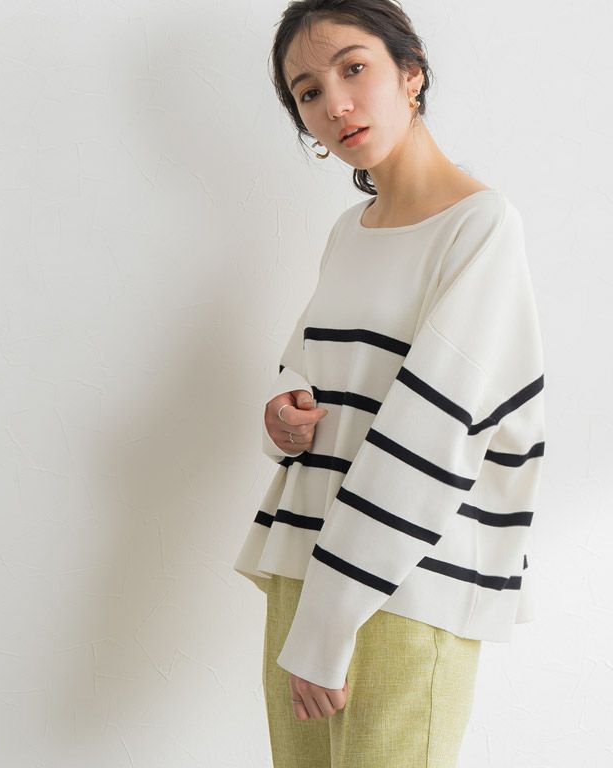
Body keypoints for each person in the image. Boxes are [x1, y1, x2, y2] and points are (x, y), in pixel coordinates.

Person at [233, 1, 546, 766]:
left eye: (354, 68)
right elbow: (316, 369)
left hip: (407, 580)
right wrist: (285, 411)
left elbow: (435, 433)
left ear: (411, 73)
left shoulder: (478, 225)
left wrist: (329, 623)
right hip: (305, 560)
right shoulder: (351, 232)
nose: (335, 103)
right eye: (308, 92)